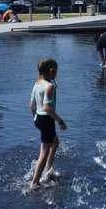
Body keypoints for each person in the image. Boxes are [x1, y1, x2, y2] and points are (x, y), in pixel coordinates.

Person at [29, 58, 67, 189]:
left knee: (55, 143)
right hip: (47, 119)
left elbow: (31, 106)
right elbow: (47, 108)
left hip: (39, 118)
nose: (57, 74)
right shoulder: (49, 86)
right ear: (51, 71)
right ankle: (35, 182)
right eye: (56, 71)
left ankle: (49, 169)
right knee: (44, 152)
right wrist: (60, 121)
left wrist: (35, 119)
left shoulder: (37, 84)